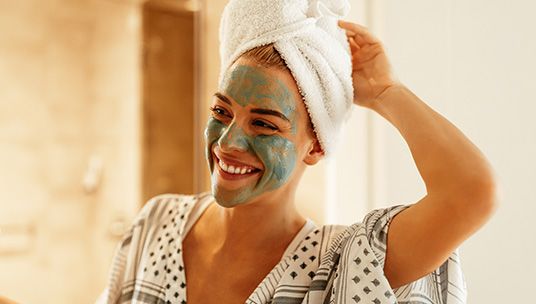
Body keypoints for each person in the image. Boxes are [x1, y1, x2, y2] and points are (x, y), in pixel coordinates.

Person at [96, 0, 500, 303]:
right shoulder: (156, 222)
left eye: (265, 124)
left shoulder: (340, 264)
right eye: (222, 111)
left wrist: (384, 91)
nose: (227, 142)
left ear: (316, 146)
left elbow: (471, 192)